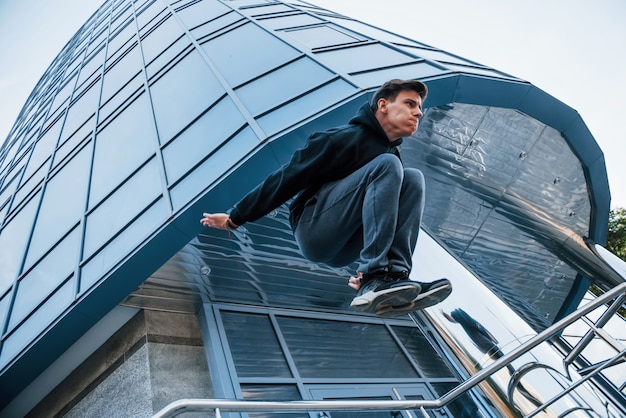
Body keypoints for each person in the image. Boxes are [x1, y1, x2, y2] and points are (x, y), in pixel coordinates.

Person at [200, 79, 451, 316]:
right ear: (383, 105)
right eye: (410, 104)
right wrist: (235, 218)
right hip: (314, 230)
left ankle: (393, 278)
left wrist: (367, 271)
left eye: (420, 108)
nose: (418, 113)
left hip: (346, 248)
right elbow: (286, 178)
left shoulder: (393, 160)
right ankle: (376, 275)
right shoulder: (341, 139)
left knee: (413, 178)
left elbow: (388, 218)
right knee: (387, 165)